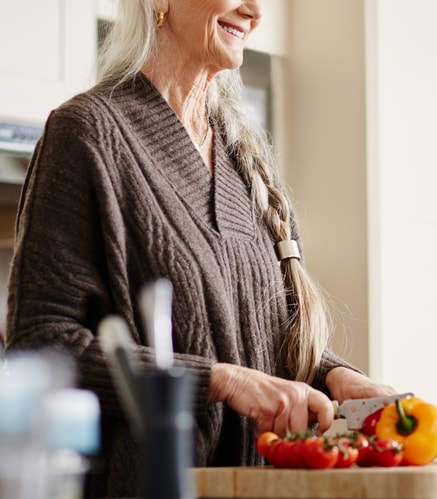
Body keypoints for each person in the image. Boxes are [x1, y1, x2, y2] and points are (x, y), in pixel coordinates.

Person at [4, 0, 395, 496]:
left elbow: (257, 340)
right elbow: (40, 344)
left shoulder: (244, 158)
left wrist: (332, 376)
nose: (253, 10)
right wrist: (219, 381)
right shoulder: (87, 133)